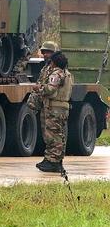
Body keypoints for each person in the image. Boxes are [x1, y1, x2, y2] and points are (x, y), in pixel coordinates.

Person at [29, 44, 73, 173]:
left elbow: (50, 89)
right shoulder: (65, 73)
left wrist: (39, 88)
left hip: (55, 108)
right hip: (59, 107)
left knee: (53, 135)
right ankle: (53, 160)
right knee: (56, 134)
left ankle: (53, 161)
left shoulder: (56, 74)